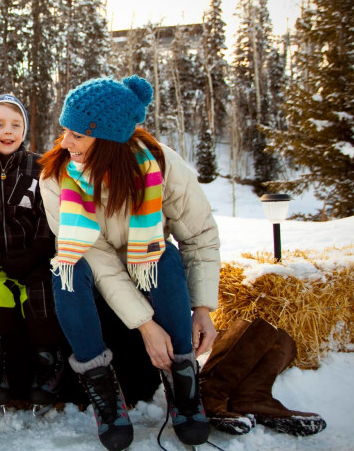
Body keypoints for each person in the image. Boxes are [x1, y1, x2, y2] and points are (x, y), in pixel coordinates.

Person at [38, 75, 221, 451]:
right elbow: (98, 258)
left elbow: (199, 235)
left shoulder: (160, 165)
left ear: (108, 141)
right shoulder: (57, 178)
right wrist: (145, 325)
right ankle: (104, 392)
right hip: (100, 269)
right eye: (66, 131)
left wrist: (202, 308)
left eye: (78, 135)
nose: (65, 142)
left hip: (147, 260)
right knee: (66, 267)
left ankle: (183, 382)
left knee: (166, 254)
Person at [0, 94, 66, 409]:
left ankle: (49, 361)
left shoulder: (40, 167)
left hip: (32, 259)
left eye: (15, 125)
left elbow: (49, 215)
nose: (8, 131)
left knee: (42, 295)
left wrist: (36, 254)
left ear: (24, 130)